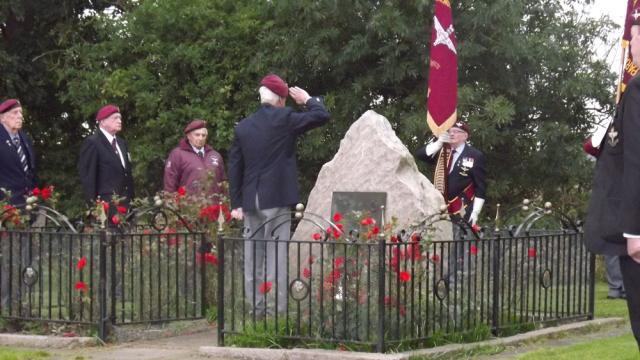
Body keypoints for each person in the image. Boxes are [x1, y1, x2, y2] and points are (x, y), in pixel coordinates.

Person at [229, 74, 330, 315]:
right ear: (281, 100)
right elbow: (321, 115)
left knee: (253, 257)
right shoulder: (284, 118)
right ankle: (276, 314)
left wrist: (236, 203)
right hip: (275, 198)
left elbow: (234, 166)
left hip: (250, 199)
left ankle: (256, 311)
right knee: (276, 257)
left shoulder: (243, 127)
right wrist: (307, 99)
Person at [584, 30, 640, 350]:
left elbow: (635, 159)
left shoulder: (638, 88)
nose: (629, 45)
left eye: (633, 38)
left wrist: (634, 230)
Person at [415, 121, 486, 284]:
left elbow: (481, 186)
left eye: (457, 132)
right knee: (443, 243)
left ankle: (458, 280)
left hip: (462, 208)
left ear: (465, 136)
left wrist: (476, 212)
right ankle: (441, 279)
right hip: (441, 207)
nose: (452, 134)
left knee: (461, 246)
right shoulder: (443, 152)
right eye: (451, 131)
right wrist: (439, 142)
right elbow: (420, 155)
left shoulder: (475, 155)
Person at [78, 104, 135, 213]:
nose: (119, 121)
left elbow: (127, 173)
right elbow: (88, 177)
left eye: (120, 118)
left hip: (127, 205)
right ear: (103, 121)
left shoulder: (122, 143)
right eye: (115, 118)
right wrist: (93, 207)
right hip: (106, 207)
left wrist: (132, 200)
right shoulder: (92, 143)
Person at [163, 119, 226, 200]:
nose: (200, 138)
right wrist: (171, 207)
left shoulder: (215, 155)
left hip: (213, 208)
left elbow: (223, 184)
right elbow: (170, 184)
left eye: (203, 135)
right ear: (189, 136)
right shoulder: (177, 154)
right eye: (197, 135)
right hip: (189, 208)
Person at [0, 99, 36, 206]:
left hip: (27, 203)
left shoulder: (25, 139)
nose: (20, 116)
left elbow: (30, 171)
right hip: (5, 206)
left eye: (21, 112)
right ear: (2, 118)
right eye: (15, 112)